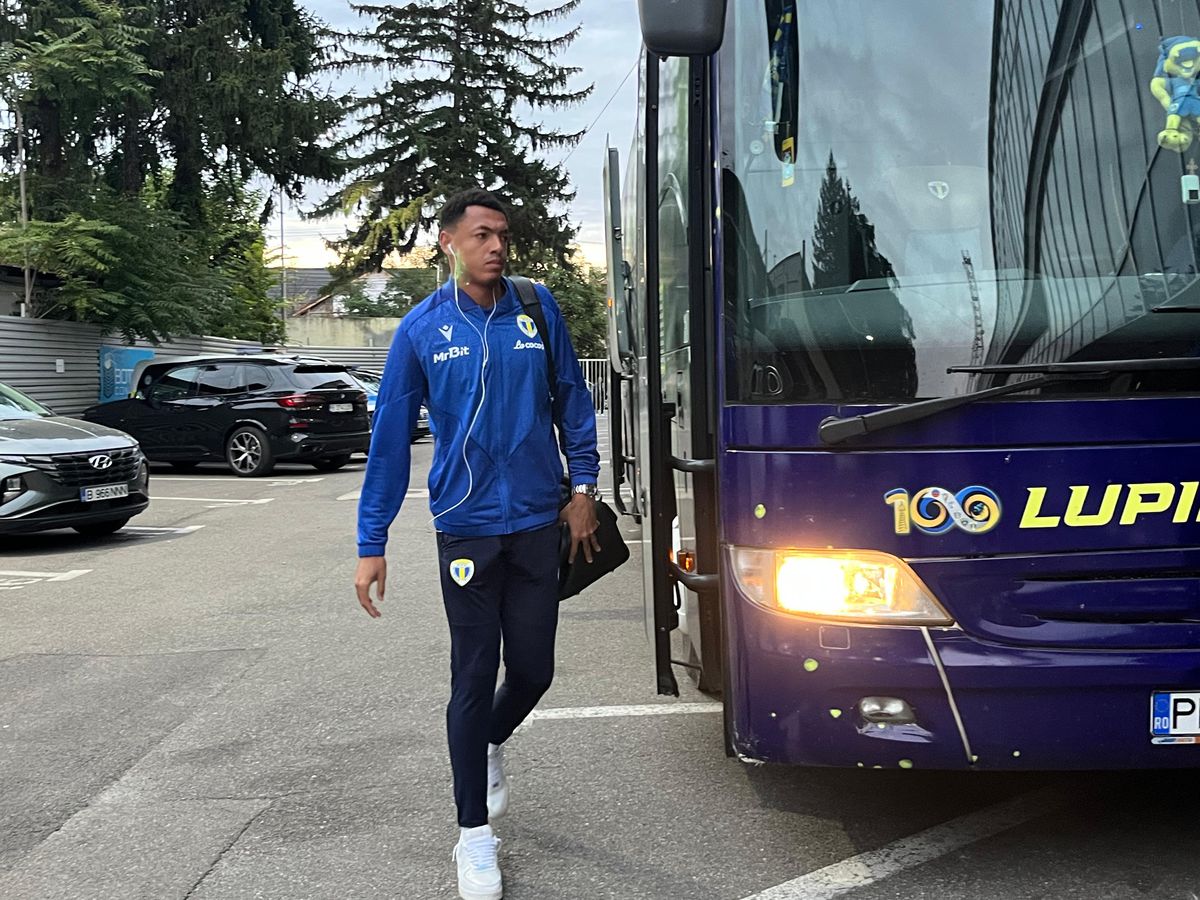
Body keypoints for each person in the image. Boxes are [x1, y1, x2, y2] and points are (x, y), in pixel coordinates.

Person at [354, 188, 601, 900]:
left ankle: (488, 740)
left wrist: (583, 488)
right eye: (482, 235)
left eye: (503, 235)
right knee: (471, 673)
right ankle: (473, 837)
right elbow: (389, 441)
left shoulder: (536, 308)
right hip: (464, 527)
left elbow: (572, 400)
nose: (496, 246)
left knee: (533, 671)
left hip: (536, 521)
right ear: (448, 243)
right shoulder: (422, 329)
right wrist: (372, 541)